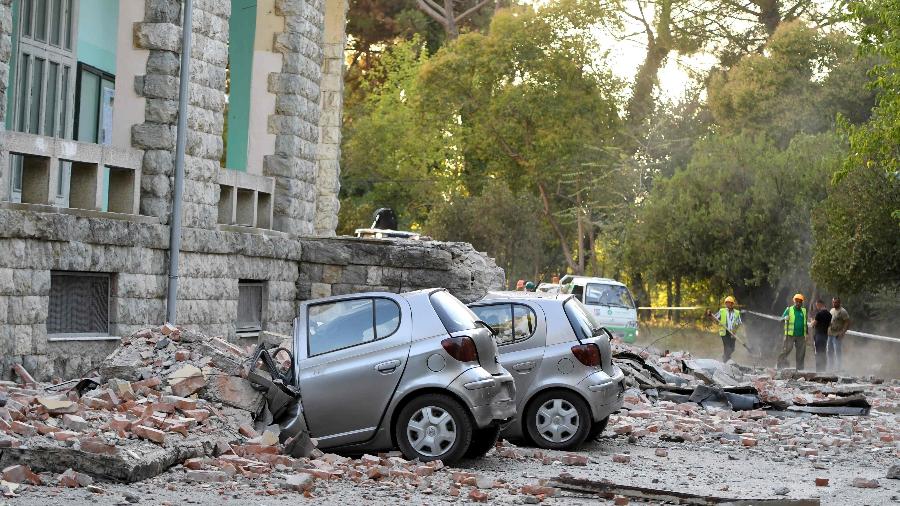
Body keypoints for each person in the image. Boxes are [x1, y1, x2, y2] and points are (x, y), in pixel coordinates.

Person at [777, 294, 808, 370]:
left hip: (801, 335)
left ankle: (800, 369)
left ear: (802, 303)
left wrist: (807, 333)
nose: (798, 303)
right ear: (794, 301)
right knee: (786, 350)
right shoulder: (789, 309)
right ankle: (780, 366)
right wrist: (785, 318)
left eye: (800, 302)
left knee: (801, 353)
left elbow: (805, 322)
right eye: (796, 301)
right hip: (790, 335)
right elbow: (780, 320)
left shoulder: (804, 311)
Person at [710, 296, 742, 362]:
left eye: (729, 303)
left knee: (732, 348)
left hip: (733, 332)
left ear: (732, 304)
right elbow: (715, 318)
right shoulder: (722, 311)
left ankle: (726, 357)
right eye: (726, 303)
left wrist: (734, 331)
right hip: (724, 332)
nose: (727, 304)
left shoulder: (737, 312)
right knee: (727, 347)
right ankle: (726, 360)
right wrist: (710, 315)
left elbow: (738, 323)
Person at [827, 297, 851, 372]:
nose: (835, 304)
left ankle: (838, 368)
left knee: (837, 352)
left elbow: (847, 322)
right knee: (829, 351)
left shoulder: (843, 311)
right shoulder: (831, 310)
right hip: (830, 334)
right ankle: (830, 367)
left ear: (839, 303)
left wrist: (843, 332)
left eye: (836, 302)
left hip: (837, 334)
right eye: (833, 302)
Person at [811, 299, 832, 372]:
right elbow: (829, 325)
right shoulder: (829, 314)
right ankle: (823, 369)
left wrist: (811, 321)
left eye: (817, 305)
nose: (817, 307)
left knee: (818, 353)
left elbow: (813, 324)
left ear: (820, 304)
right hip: (825, 336)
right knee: (823, 352)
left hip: (818, 335)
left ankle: (818, 370)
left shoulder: (819, 314)